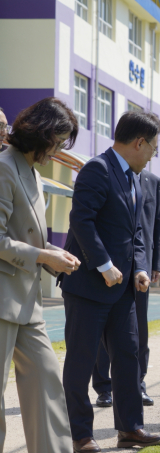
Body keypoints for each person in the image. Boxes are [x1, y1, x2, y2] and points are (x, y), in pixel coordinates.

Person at [58, 111, 160, 452]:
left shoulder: (135, 177)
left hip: (123, 290)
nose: (154, 155)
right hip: (88, 287)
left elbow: (134, 233)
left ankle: (130, 428)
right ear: (139, 142)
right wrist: (104, 264)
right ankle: (82, 436)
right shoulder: (97, 169)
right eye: (154, 148)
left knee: (127, 356)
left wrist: (141, 268)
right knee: (81, 360)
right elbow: (81, 222)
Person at [0, 97, 80, 453]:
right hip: (2, 300)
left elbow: (28, 236)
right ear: (41, 133)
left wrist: (52, 255)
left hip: (27, 303)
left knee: (47, 383)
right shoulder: (3, 167)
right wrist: (42, 255)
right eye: (58, 141)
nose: (60, 149)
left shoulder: (32, 171)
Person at [91, 167, 160, 408]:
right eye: (151, 146)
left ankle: (138, 384)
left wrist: (156, 264)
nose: (152, 153)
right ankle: (103, 388)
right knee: (103, 330)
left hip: (141, 269)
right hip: (111, 267)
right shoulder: (107, 173)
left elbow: (157, 224)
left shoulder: (153, 181)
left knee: (139, 330)